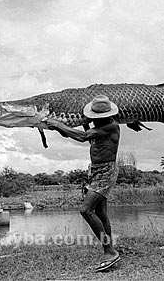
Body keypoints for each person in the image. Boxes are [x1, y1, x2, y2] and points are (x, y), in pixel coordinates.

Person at [46, 95, 121, 271]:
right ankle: (109, 247)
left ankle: (110, 251)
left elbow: (82, 136)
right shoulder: (99, 126)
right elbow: (79, 134)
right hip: (96, 170)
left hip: (106, 172)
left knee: (85, 210)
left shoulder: (110, 126)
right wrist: (58, 128)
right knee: (101, 212)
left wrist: (58, 124)